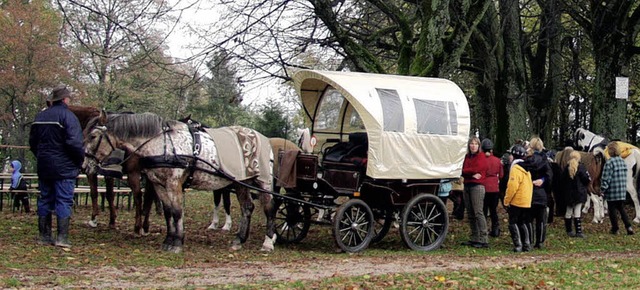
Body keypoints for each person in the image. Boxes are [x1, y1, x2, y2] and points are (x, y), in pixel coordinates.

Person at [29, 85, 85, 248]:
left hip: (44, 165)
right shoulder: (69, 117)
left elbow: (33, 143)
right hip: (64, 167)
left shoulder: (40, 117)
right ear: (65, 99)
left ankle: (44, 236)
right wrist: (78, 161)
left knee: (45, 199)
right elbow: (75, 143)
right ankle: (62, 237)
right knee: (64, 200)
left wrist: (41, 157)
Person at [521, 137, 553, 249]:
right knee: (541, 220)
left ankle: (529, 240)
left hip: (528, 192)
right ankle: (540, 242)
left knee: (528, 219)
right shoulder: (545, 161)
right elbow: (550, 177)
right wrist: (543, 181)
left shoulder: (527, 160)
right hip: (541, 193)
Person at [460, 136, 489, 248]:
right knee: (470, 213)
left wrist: (468, 172)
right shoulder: (467, 157)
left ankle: (484, 238)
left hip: (477, 186)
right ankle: (474, 236)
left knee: (478, 212)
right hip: (467, 184)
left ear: (479, 146)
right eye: (471, 144)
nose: (473, 146)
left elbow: (478, 168)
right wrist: (470, 174)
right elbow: (463, 170)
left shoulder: (481, 157)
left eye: (475, 144)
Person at [600, 141, 634, 235]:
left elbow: (606, 178)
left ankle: (615, 229)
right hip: (621, 191)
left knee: (612, 211)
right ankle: (629, 227)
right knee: (622, 209)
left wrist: (603, 189)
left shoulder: (609, 163)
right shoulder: (623, 162)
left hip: (612, 191)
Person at [504, 145, 532, 252]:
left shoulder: (515, 168)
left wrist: (507, 200)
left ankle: (518, 244)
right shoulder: (527, 168)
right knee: (522, 222)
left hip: (517, 200)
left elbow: (512, 187)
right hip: (526, 200)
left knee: (513, 222)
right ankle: (527, 244)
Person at [560, 151, 590, 238]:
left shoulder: (566, 168)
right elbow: (587, 179)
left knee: (568, 212)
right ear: (579, 158)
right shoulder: (581, 167)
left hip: (568, 194)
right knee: (577, 212)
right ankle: (579, 231)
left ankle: (569, 230)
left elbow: (562, 180)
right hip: (579, 193)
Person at [481, 138, 504, 237]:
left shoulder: (481, 160)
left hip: (484, 187)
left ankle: (483, 230)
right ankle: (495, 230)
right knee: (493, 211)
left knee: (484, 210)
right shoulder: (497, 160)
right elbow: (501, 175)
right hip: (495, 188)